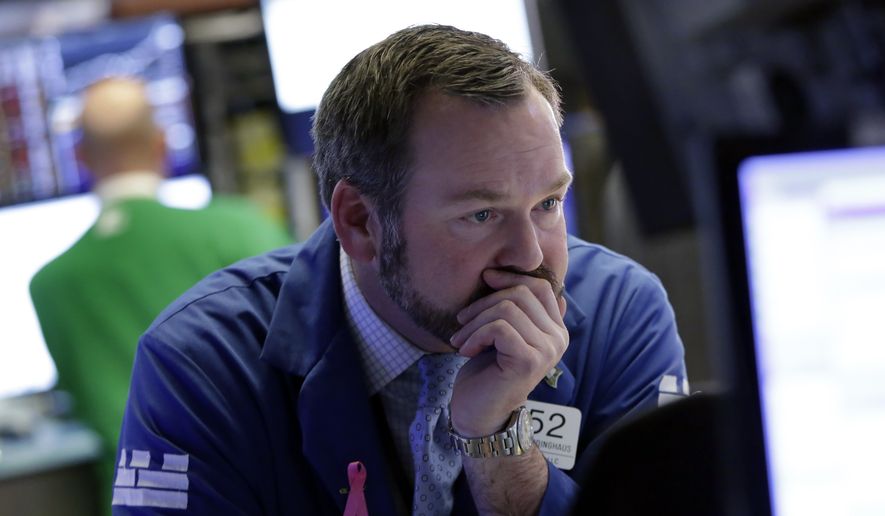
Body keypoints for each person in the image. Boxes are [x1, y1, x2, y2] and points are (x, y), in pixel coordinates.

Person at [112, 25, 688, 515]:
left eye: (548, 205)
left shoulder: (620, 314)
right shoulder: (200, 362)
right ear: (360, 221)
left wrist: (498, 438)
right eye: (481, 214)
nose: (531, 258)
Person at [29, 77, 291, 515]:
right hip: (261, 493)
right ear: (162, 144)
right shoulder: (244, 230)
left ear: (80, 157)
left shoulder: (50, 285)